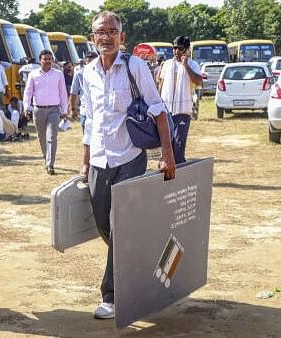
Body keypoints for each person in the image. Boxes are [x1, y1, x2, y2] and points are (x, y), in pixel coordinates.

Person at [81, 11, 175, 320]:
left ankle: (111, 295)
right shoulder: (87, 72)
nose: (106, 36)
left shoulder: (136, 67)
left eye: (112, 31)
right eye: (100, 32)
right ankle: (134, 255)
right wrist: (84, 162)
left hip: (130, 157)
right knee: (103, 223)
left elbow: (159, 110)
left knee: (120, 225)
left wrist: (168, 155)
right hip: (98, 160)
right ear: (92, 37)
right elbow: (90, 120)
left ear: (122, 37)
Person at [157, 36, 203, 164]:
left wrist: (186, 66)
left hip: (182, 112)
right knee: (166, 149)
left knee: (178, 147)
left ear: (187, 50)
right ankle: (167, 179)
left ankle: (179, 178)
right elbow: (160, 83)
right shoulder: (166, 64)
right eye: (174, 48)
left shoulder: (193, 64)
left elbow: (199, 82)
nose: (177, 51)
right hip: (166, 113)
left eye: (180, 48)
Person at [23, 49, 68, 175]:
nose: (48, 61)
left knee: (52, 137)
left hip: (54, 109)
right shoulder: (33, 74)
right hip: (38, 110)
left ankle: (50, 164)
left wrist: (64, 110)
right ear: (40, 60)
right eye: (45, 59)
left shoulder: (58, 74)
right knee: (42, 137)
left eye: (50, 59)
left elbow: (63, 93)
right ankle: (45, 157)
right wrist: (27, 107)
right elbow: (28, 92)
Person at [69, 51, 98, 132]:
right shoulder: (79, 74)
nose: (91, 64)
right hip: (85, 110)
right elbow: (73, 92)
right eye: (89, 62)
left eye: (93, 62)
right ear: (86, 61)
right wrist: (73, 109)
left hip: (99, 111)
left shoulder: (103, 72)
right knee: (86, 138)